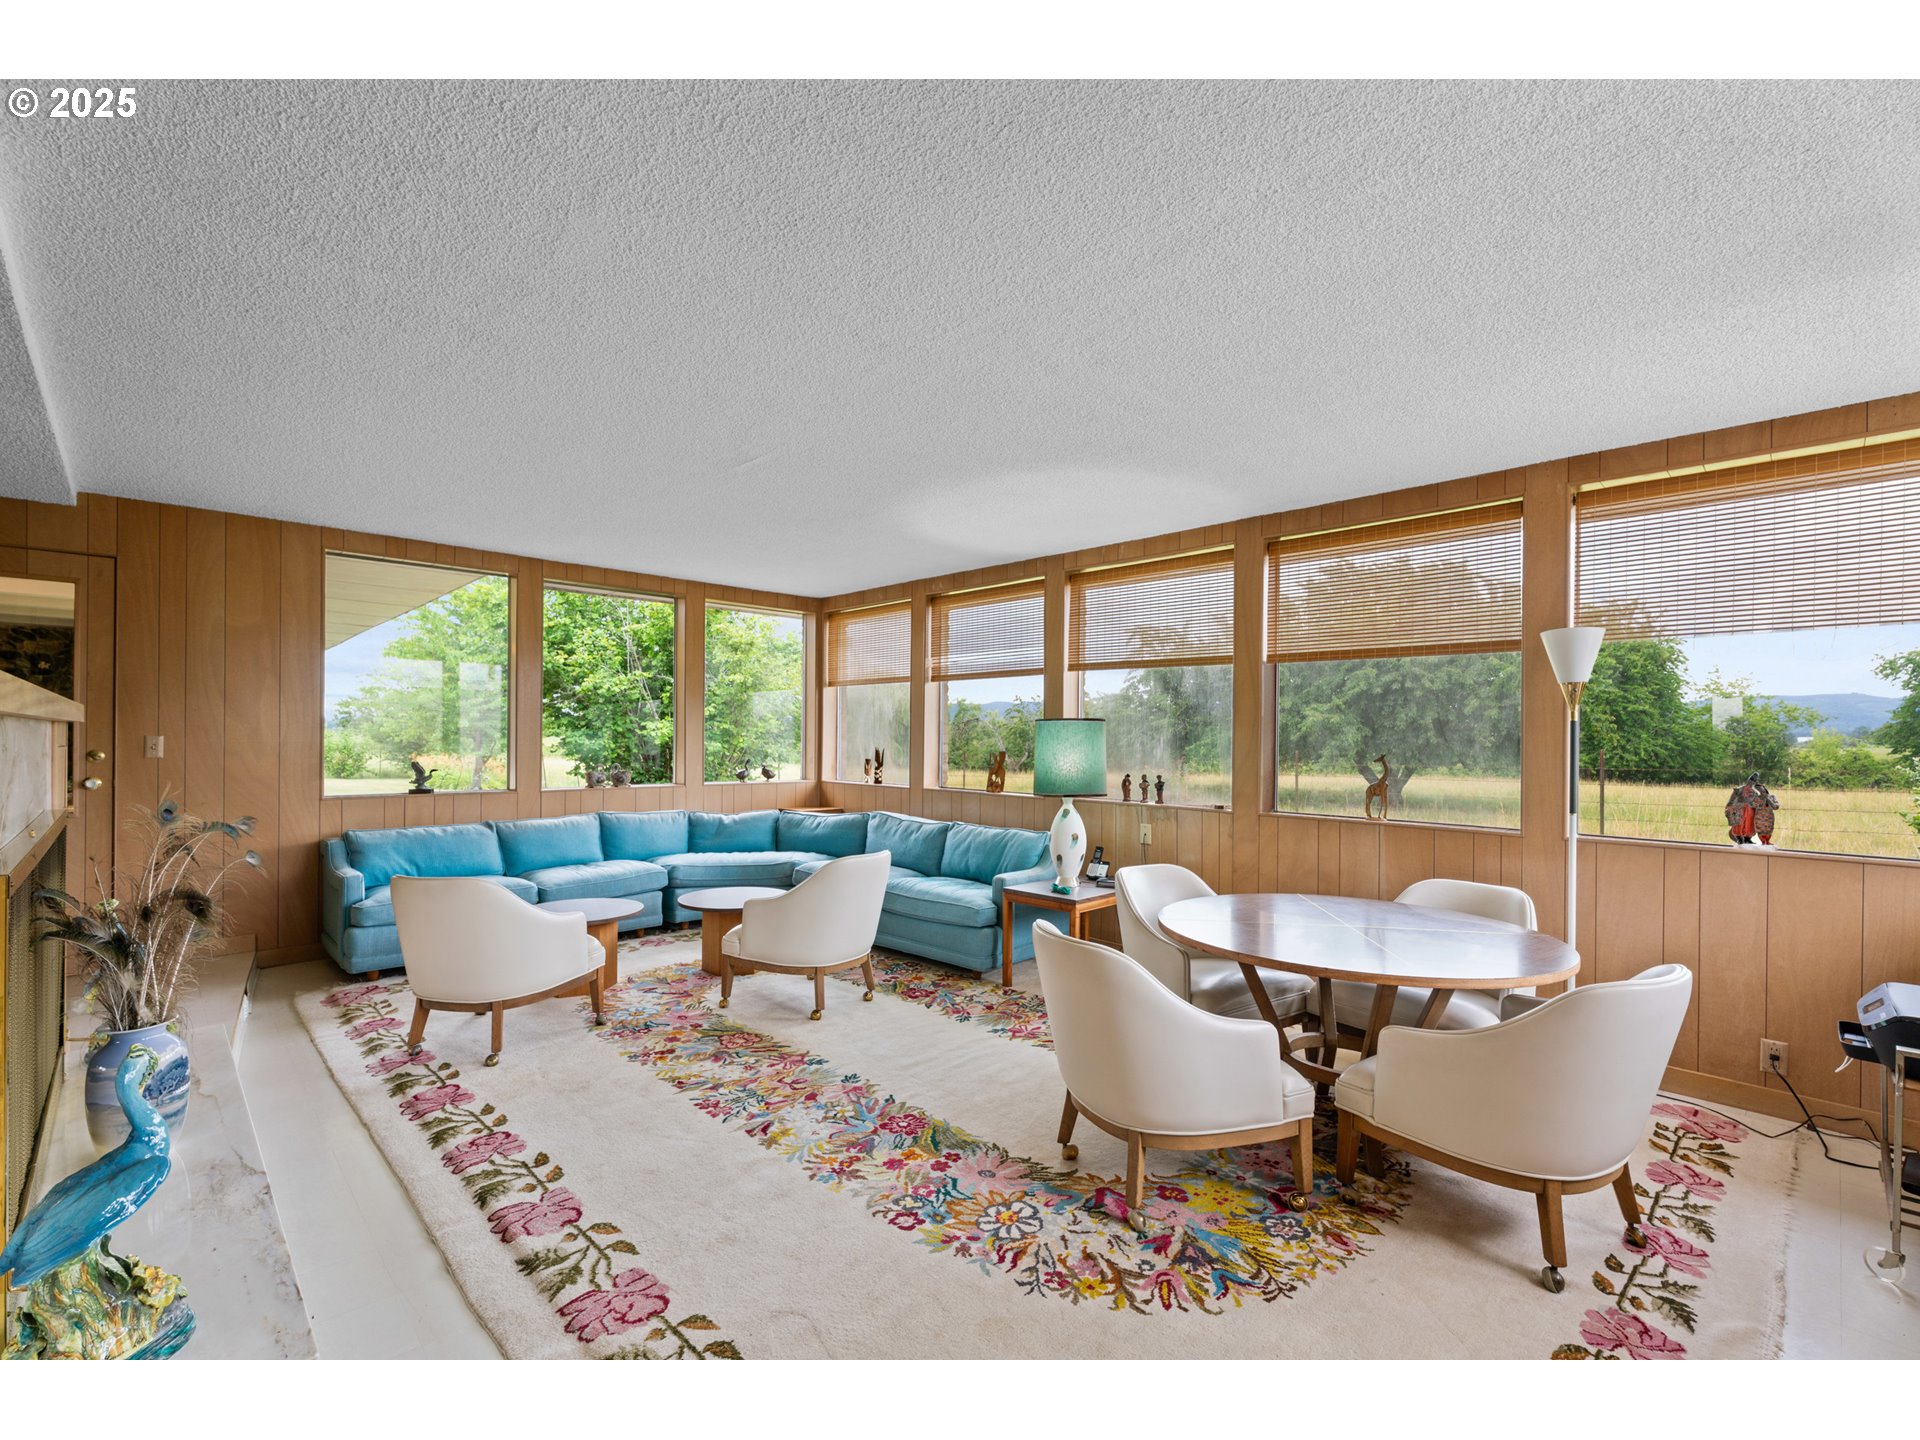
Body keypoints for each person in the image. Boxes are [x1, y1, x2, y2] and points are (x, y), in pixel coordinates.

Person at [1724, 772, 1780, 846]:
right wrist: (1731, 808)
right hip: (1740, 809)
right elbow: (1731, 800)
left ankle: (1747, 838)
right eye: (1752, 779)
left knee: (1749, 824)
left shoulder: (1755, 792)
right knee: (1739, 824)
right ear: (1748, 779)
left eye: (1754, 780)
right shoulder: (1739, 790)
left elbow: (1757, 802)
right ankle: (1739, 838)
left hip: (1750, 810)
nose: (1752, 781)